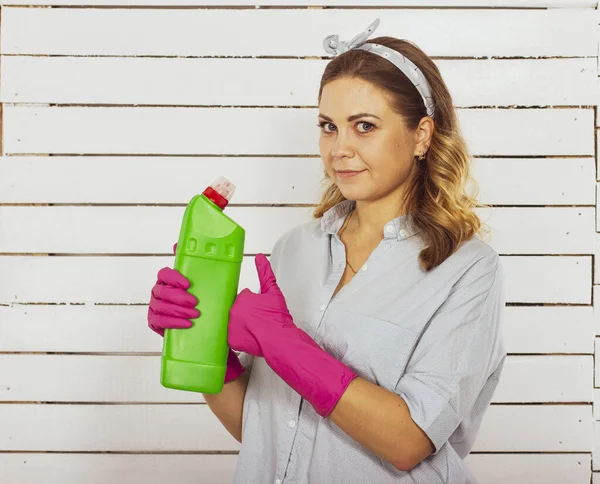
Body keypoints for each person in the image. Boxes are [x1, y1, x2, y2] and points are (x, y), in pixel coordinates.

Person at [147, 18, 506, 484]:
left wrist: (279, 341)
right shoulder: (294, 250)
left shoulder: (467, 269)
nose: (339, 149)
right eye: (328, 127)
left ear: (421, 135)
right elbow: (259, 430)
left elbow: (408, 442)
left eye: (364, 126)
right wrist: (204, 339)